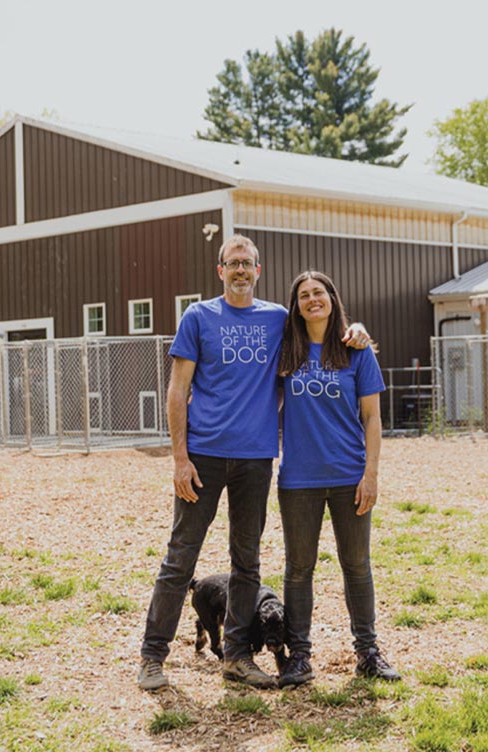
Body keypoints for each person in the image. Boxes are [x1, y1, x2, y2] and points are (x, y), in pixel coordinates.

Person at [137, 236, 368, 691]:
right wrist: (179, 458)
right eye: (232, 263)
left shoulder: (278, 320)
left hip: (256, 459)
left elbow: (322, 325)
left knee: (247, 563)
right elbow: (177, 390)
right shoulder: (198, 317)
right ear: (219, 270)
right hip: (203, 457)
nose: (240, 270)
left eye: (248, 263)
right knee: (181, 557)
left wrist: (356, 328)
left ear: (259, 271)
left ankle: (237, 656)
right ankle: (152, 655)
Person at [274, 270, 401, 687]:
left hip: (350, 476)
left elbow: (372, 417)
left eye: (319, 292)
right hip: (299, 479)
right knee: (298, 569)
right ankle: (299, 656)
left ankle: (367, 651)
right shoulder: (284, 350)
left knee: (357, 566)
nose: (313, 299)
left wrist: (372, 475)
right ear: (296, 305)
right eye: (304, 295)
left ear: (332, 297)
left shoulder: (356, 350)